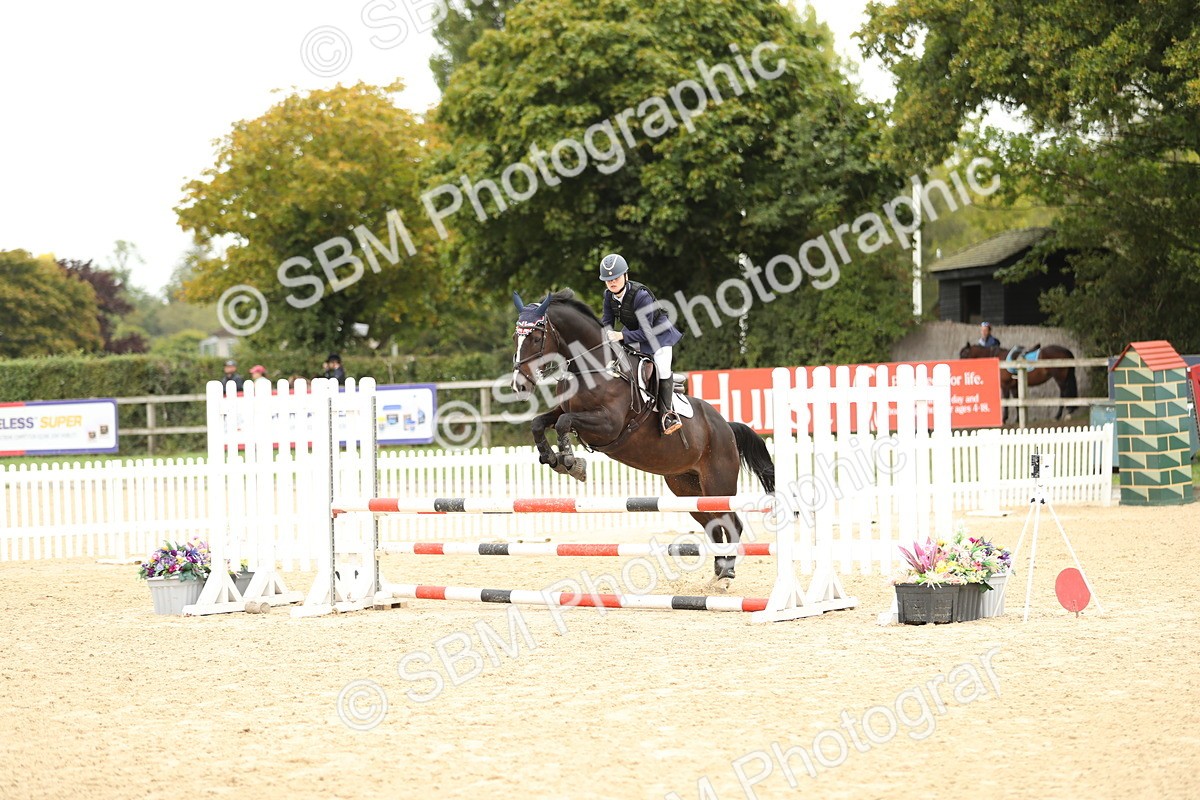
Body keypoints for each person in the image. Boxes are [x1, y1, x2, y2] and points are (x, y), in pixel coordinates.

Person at [598, 253, 684, 435]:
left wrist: (619, 336)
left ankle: (667, 415)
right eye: (608, 280)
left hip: (658, 335)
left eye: (616, 278)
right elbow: (606, 322)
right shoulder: (608, 296)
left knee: (661, 367)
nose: (612, 282)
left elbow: (647, 332)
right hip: (636, 335)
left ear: (625, 276)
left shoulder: (641, 296)